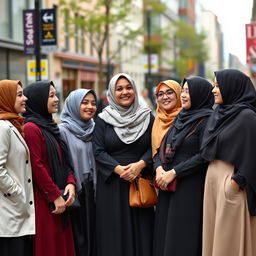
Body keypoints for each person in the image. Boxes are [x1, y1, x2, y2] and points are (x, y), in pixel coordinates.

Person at [93, 73, 155, 256]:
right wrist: (118, 169)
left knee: (142, 230)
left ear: (135, 90)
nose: (124, 92)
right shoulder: (103, 119)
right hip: (112, 183)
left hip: (140, 182)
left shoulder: (147, 117)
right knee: (114, 230)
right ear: (112, 92)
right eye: (119, 89)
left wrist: (140, 165)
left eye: (128, 88)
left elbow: (155, 147)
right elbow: (98, 151)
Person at [153, 76, 214, 256]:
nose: (184, 95)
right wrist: (158, 169)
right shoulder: (180, 118)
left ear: (200, 94)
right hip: (166, 184)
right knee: (165, 231)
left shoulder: (208, 119)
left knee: (182, 234)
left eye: (188, 91)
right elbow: (161, 149)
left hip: (189, 186)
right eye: (183, 91)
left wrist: (175, 172)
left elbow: (204, 156)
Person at [200, 69, 256, 256]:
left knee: (228, 242)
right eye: (214, 85)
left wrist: (235, 182)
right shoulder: (218, 114)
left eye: (218, 85)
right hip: (212, 181)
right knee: (213, 238)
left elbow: (253, 154)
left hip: (231, 182)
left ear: (232, 87)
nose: (214, 90)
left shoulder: (247, 117)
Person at [22, 81, 76, 256]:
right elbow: (36, 166)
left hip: (60, 197)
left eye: (56, 94)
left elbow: (64, 161)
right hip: (45, 201)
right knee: (50, 247)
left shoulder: (51, 126)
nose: (56, 99)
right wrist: (54, 196)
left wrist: (71, 184)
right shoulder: (31, 128)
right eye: (51, 95)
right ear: (38, 100)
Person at [59, 88, 97, 256]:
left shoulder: (95, 128)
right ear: (74, 105)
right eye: (85, 102)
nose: (90, 107)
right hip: (75, 189)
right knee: (78, 238)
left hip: (95, 189)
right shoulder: (63, 131)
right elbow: (63, 163)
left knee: (94, 235)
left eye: (93, 103)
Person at [0, 80, 35, 256]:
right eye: (19, 94)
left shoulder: (12, 124)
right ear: (6, 98)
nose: (25, 98)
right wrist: (17, 192)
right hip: (9, 211)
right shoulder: (2, 127)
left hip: (15, 210)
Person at [151, 80, 182, 159]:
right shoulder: (157, 120)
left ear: (178, 94)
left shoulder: (186, 118)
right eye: (160, 94)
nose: (165, 97)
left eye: (169, 93)